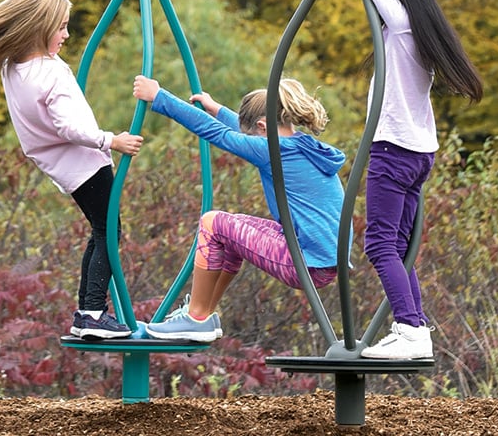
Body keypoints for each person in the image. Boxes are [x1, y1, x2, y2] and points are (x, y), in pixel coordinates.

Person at [330, 0, 484, 360]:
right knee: (396, 245)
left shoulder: (398, 25)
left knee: (379, 244)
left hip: (393, 150)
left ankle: (412, 330)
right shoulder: (419, 26)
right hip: (418, 153)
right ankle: (414, 330)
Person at [0, 0, 145, 340]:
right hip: (85, 162)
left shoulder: (14, 66)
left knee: (102, 229)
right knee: (109, 232)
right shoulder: (49, 73)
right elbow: (69, 126)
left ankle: (90, 310)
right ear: (38, 28)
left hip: (60, 165)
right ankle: (91, 312)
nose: (67, 35)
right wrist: (111, 140)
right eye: (61, 27)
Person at [131, 76, 346, 342]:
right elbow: (241, 133)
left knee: (213, 222)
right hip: (320, 259)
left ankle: (196, 316)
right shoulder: (299, 144)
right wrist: (217, 109)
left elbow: (220, 136)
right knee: (231, 228)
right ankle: (205, 313)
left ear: (262, 126)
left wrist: (159, 97)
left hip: (305, 263)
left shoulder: (272, 150)